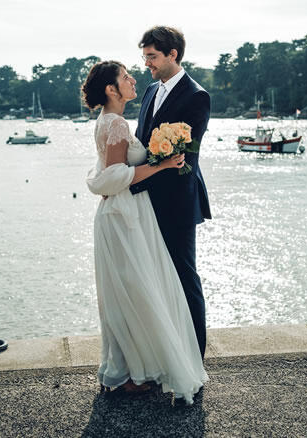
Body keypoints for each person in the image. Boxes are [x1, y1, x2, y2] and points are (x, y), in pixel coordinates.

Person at [83, 60, 208, 405]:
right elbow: (115, 177)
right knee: (132, 293)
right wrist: (162, 164)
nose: (133, 78)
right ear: (111, 89)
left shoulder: (111, 122)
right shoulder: (116, 124)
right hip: (123, 215)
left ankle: (127, 371)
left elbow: (111, 173)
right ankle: (130, 374)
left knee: (128, 293)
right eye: (125, 77)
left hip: (126, 213)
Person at [130, 26, 211, 359]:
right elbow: (141, 139)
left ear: (172, 55)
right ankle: (167, 350)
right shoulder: (150, 91)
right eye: (145, 56)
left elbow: (184, 159)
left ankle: (195, 355)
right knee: (156, 278)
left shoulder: (196, 96)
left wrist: (132, 180)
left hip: (177, 202)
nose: (147, 63)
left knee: (183, 276)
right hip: (146, 200)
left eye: (152, 56)